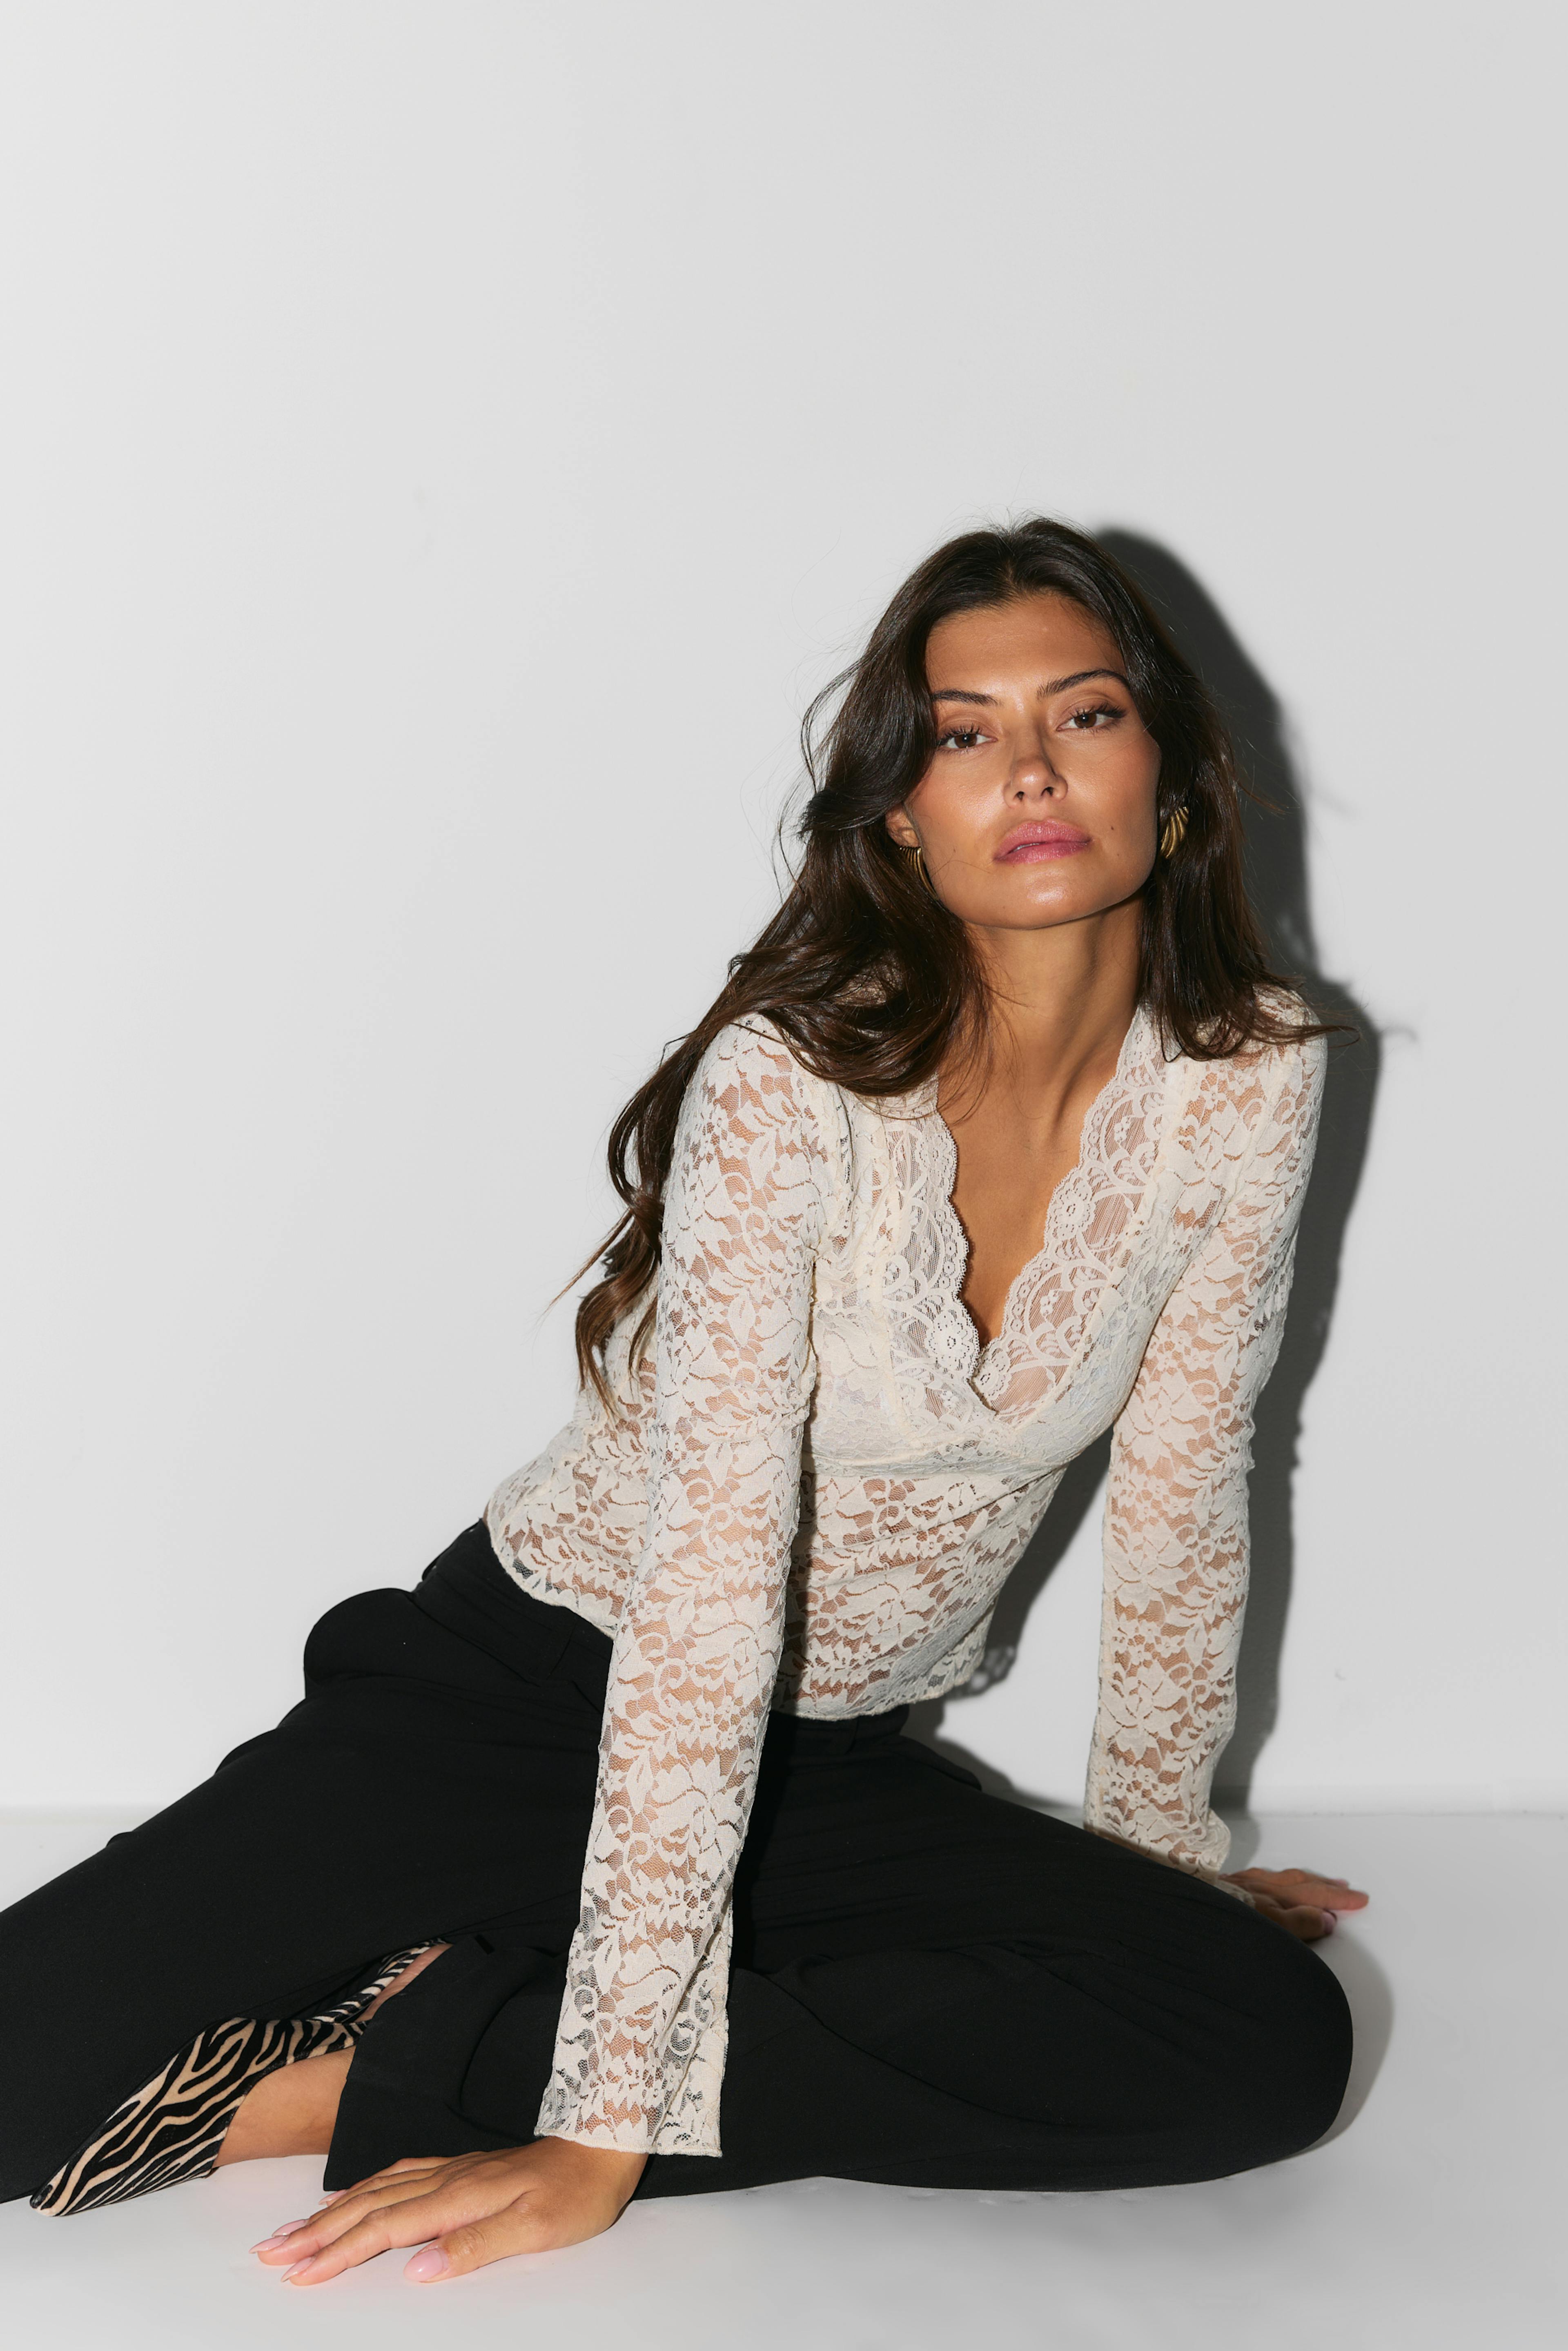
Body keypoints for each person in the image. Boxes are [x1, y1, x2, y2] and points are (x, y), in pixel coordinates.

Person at [0, 518, 1366, 2285]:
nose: (1030, 771)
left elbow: (1190, 1488)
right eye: (964, 734)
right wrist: (604, 2125)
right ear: (901, 811)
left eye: (1085, 715)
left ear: (1170, 775)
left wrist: (1152, 1875)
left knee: (1261, 2040)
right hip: (520, 1697)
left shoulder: (1247, 1074)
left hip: (824, 1768)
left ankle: (398, 2054)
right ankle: (544, 2011)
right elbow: (709, 1594)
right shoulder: (791, 1088)